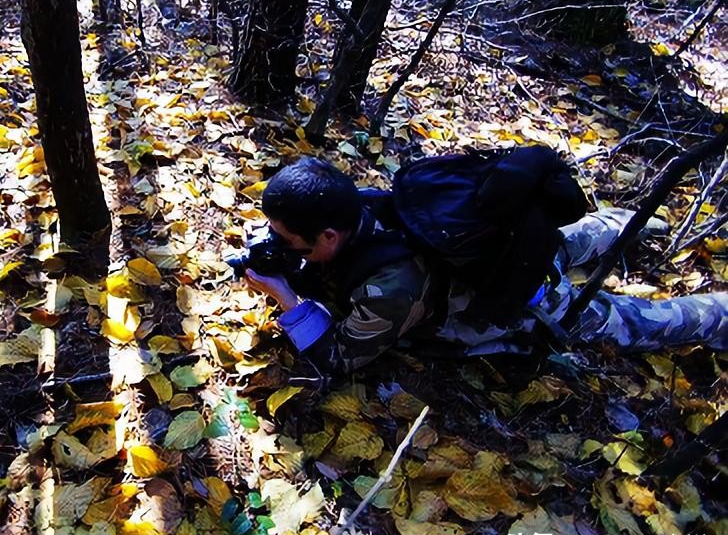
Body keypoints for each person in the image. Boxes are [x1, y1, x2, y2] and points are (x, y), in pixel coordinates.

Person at [244, 157, 728, 375]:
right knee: (560, 244)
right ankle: (632, 223)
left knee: (634, 321)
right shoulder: (361, 205)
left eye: (290, 240)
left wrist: (286, 296)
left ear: (329, 236)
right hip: (509, 249)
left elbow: (337, 359)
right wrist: (284, 257)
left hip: (526, 297)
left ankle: (717, 311)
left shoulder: (390, 290)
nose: (278, 245)